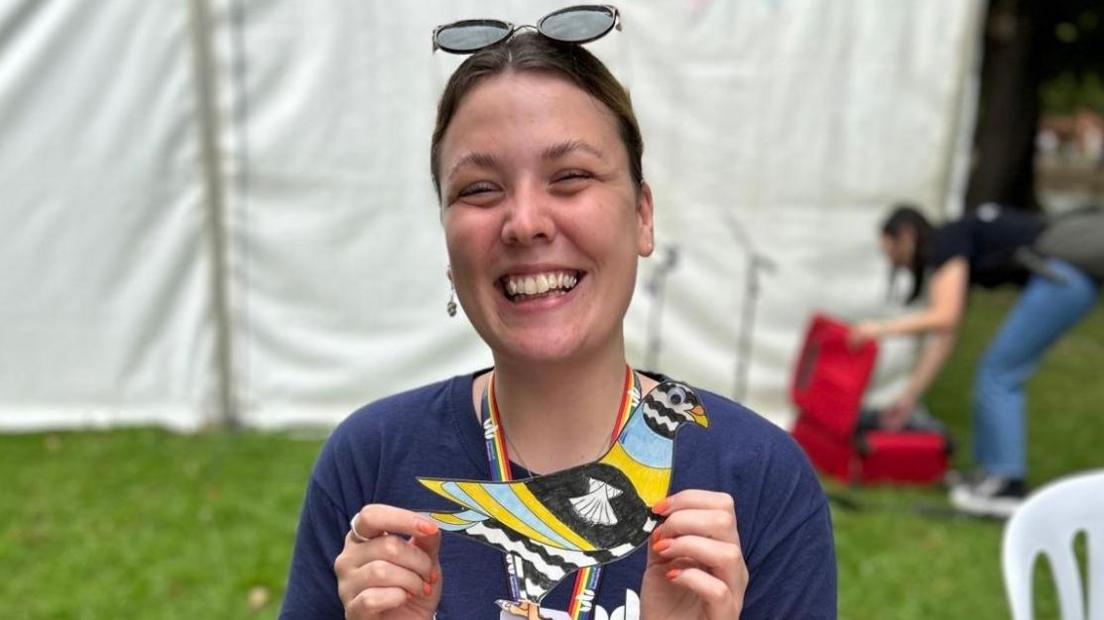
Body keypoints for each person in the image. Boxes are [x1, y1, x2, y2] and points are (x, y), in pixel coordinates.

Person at [280, 8, 835, 619]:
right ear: (446, 239)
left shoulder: (758, 479)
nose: (525, 223)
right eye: (480, 190)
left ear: (643, 217)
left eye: (570, 177)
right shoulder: (372, 461)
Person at [851, 202, 1101, 518]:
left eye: (894, 255)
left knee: (998, 374)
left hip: (1062, 277)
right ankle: (990, 474)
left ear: (906, 235)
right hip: (1066, 278)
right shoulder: (959, 242)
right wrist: (908, 398)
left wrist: (878, 329)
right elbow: (946, 334)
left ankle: (1005, 482)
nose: (899, 265)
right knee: (994, 371)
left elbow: (944, 316)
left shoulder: (947, 241)